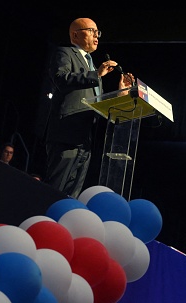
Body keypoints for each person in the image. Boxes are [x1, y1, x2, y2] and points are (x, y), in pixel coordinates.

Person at [44, 17, 134, 198]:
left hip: (85, 138)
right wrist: (97, 74)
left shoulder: (91, 63)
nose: (97, 36)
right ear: (75, 35)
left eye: (97, 32)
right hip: (66, 134)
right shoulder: (65, 52)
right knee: (54, 191)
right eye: (92, 31)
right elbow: (61, 78)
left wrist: (121, 93)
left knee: (72, 195)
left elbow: (97, 102)